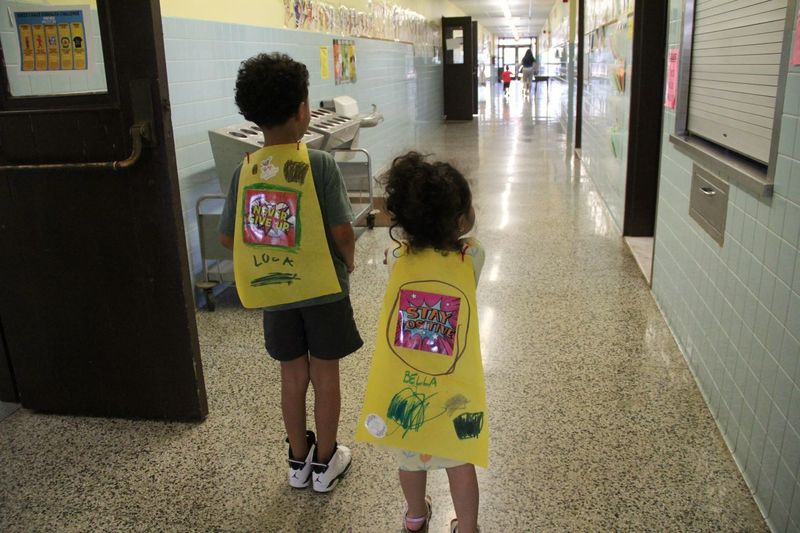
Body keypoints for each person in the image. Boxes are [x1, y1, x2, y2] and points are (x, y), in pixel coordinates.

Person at [218, 52, 363, 493]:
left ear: (253, 114)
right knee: (326, 376)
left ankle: (297, 461)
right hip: (323, 291)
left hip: (275, 293)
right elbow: (341, 230)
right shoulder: (318, 165)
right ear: (303, 111)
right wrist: (349, 261)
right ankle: (327, 462)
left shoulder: (245, 171)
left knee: (292, 376)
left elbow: (229, 238)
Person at [372, 152, 486, 533]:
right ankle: (467, 526)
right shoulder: (471, 257)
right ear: (460, 221)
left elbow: (405, 249)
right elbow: (469, 241)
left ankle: (415, 515)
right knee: (460, 457)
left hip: (410, 379)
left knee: (410, 457)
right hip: (454, 379)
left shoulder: (394, 257)